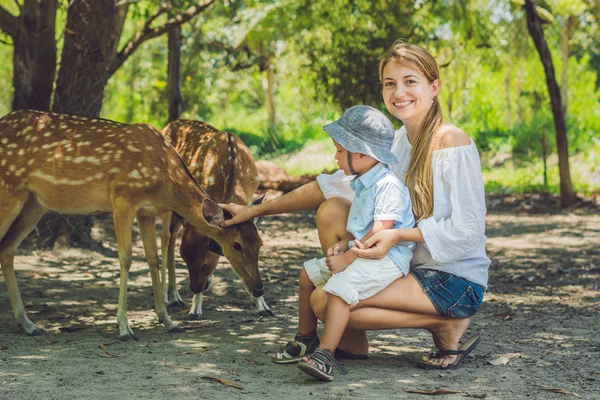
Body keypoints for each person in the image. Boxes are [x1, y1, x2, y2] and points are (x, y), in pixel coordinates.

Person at [219, 40, 490, 370]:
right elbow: (329, 185)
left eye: (410, 81)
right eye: (390, 83)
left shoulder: (451, 141)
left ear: (434, 87)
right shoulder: (396, 142)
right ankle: (351, 341)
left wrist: (397, 236)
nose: (399, 92)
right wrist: (253, 211)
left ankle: (444, 324)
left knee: (324, 300)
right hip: (409, 266)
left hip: (453, 279)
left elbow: (467, 230)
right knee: (332, 210)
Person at [290, 105, 415, 381]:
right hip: (363, 251)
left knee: (337, 287)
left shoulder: (387, 186)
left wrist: (347, 260)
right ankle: (306, 338)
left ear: (360, 152)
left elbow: (380, 233)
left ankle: (325, 353)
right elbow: (361, 227)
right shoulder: (362, 182)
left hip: (386, 258)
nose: (335, 157)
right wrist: (345, 243)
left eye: (339, 150)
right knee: (307, 274)